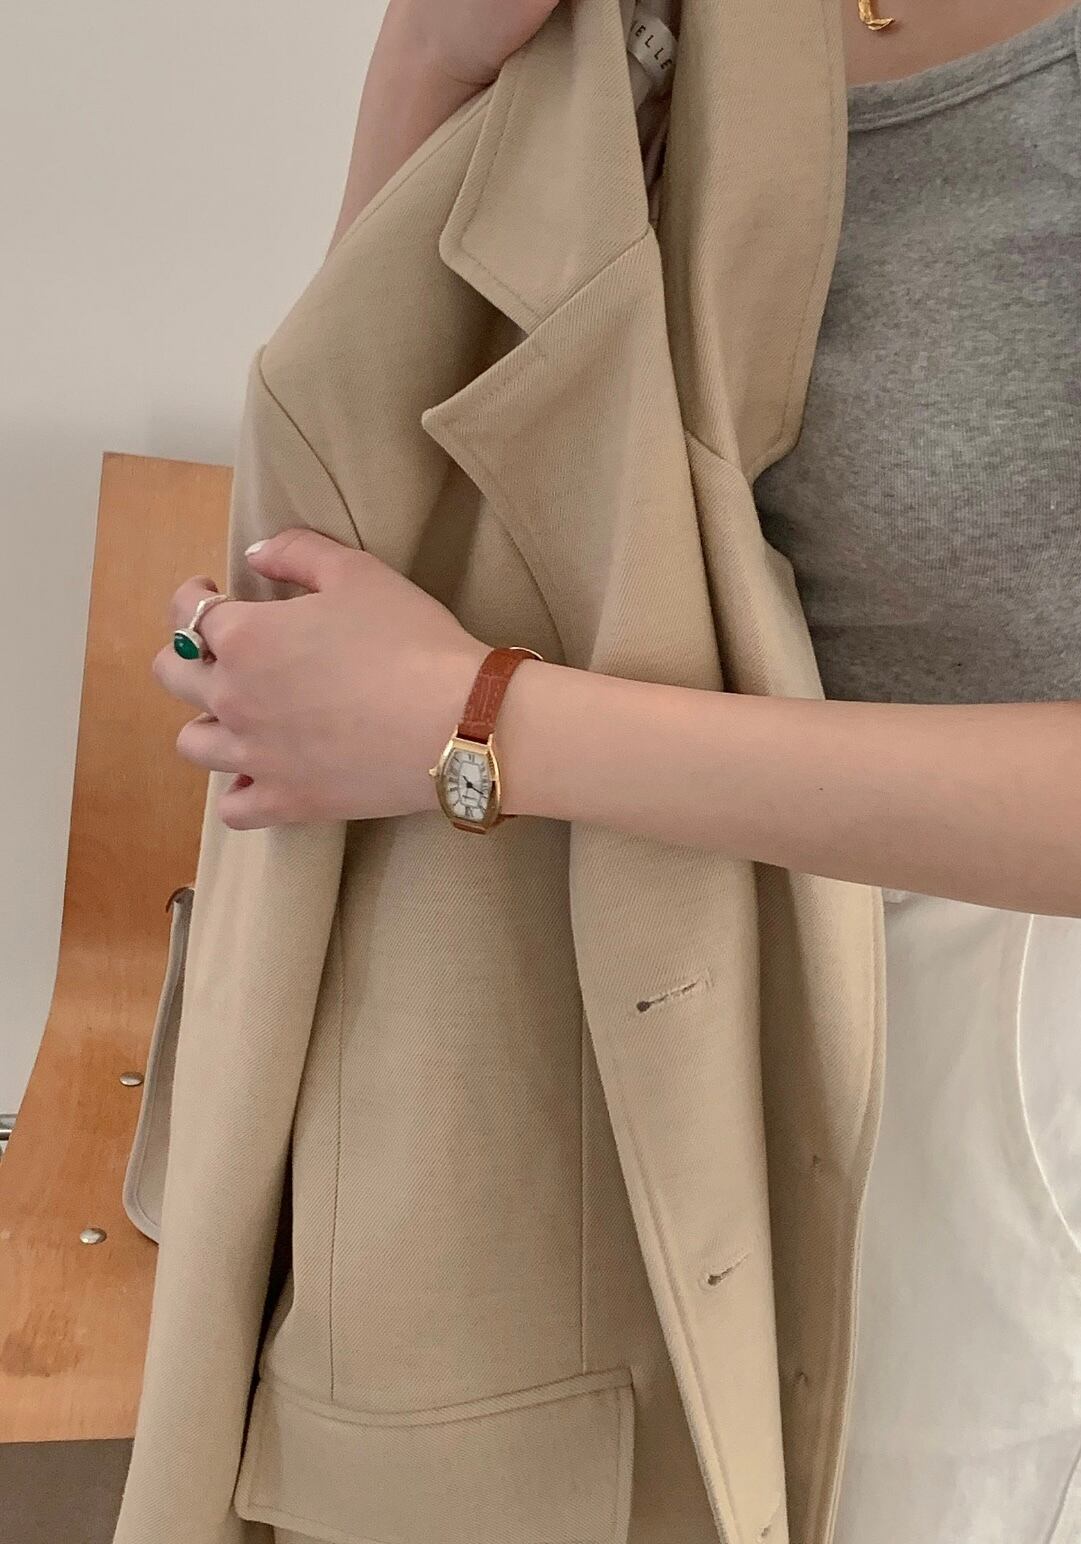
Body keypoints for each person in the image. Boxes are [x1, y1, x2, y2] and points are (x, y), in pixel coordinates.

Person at [151, 0, 1081, 1539]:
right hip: (587, 969)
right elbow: (373, 483)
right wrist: (431, 58)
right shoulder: (644, 25)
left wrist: (482, 725)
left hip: (985, 1051)